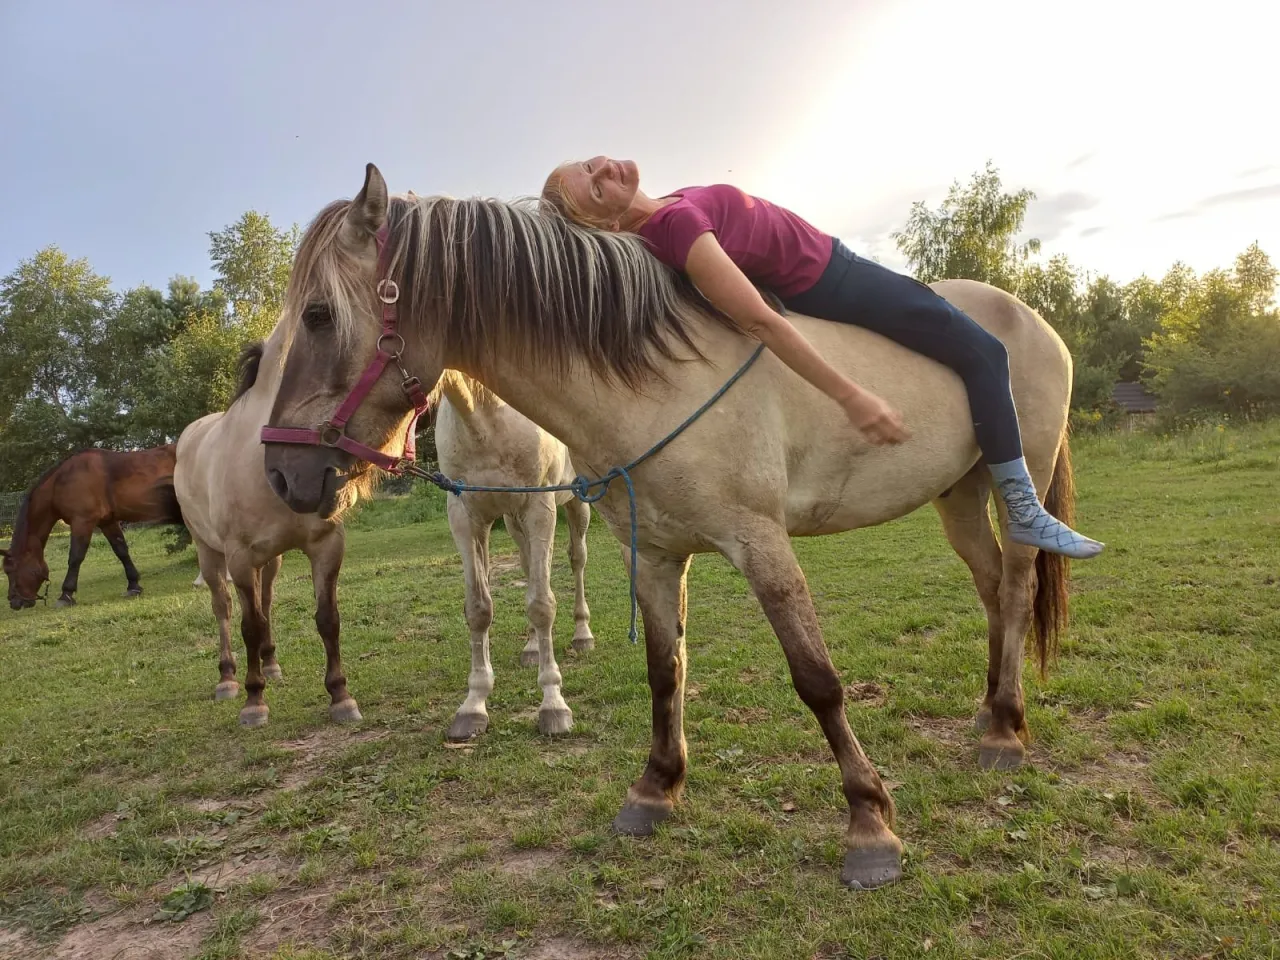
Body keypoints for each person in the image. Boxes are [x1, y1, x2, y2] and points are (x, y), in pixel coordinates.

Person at [541, 157, 1103, 560]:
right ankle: (1024, 509)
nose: (601, 172)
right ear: (607, 226)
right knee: (984, 350)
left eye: (588, 166)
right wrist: (850, 393)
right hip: (837, 281)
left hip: (833, 266)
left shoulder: (668, 209)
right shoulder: (672, 226)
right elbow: (762, 319)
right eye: (592, 189)